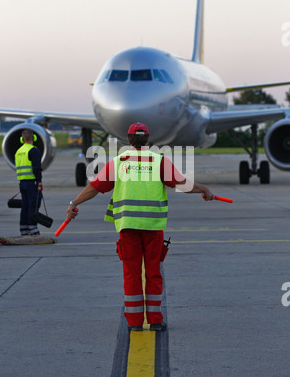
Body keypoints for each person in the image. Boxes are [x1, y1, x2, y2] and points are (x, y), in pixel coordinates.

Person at [66, 122, 214, 332]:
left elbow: (94, 188)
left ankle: (135, 323)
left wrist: (74, 204)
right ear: (147, 139)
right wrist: (204, 189)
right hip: (153, 227)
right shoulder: (159, 161)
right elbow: (181, 183)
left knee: (131, 274)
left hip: (127, 227)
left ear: (128, 140)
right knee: (153, 273)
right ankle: (154, 320)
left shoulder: (118, 162)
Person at [14, 129, 43, 236]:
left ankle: (24, 229)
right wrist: (39, 182)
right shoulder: (33, 150)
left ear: (22, 139)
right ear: (33, 138)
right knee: (33, 205)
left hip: (22, 183)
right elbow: (37, 168)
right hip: (32, 182)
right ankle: (33, 229)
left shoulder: (19, 151)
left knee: (25, 206)